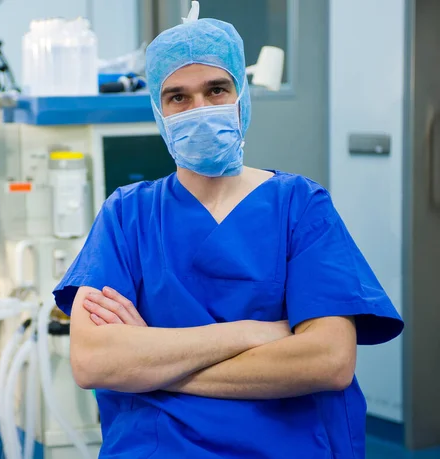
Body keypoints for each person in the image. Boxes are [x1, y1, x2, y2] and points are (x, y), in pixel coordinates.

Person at [53, 12, 404, 459]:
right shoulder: (127, 215)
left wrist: (152, 363)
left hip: (287, 445)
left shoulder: (299, 205)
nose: (199, 109)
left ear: (242, 97)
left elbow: (329, 361)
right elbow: (93, 362)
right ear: (159, 113)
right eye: (177, 97)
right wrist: (253, 333)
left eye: (216, 90)